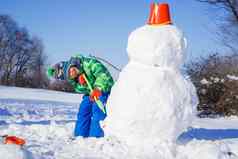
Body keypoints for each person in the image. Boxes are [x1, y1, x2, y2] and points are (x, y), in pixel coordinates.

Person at [47, 54, 114, 138]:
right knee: (83, 110)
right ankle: (80, 136)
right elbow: (80, 89)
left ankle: (96, 137)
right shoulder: (74, 79)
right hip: (91, 93)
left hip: (104, 89)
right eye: (70, 74)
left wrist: (98, 88)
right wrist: (83, 84)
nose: (72, 72)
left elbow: (103, 75)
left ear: (72, 64)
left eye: (71, 69)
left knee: (97, 109)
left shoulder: (88, 63)